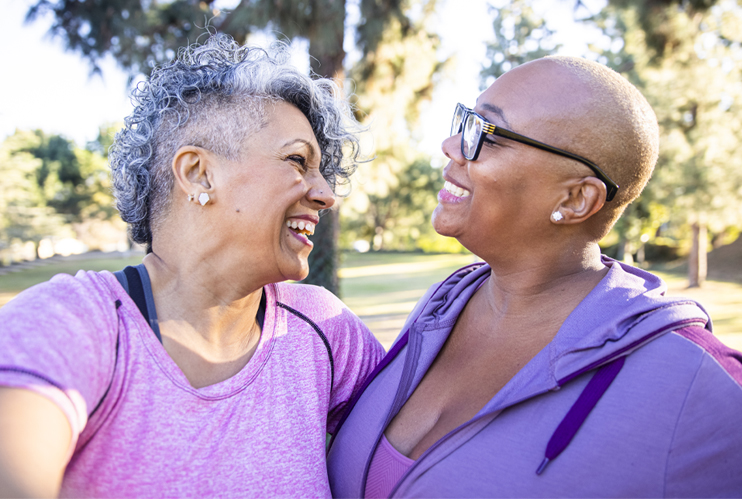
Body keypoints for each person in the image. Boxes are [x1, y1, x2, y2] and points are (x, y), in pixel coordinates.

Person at [327, 56, 742, 498]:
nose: (450, 144)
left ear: (577, 198)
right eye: (464, 120)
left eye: (485, 134)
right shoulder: (441, 307)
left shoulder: (699, 380)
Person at [0, 34, 385, 498]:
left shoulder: (324, 331)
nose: (326, 194)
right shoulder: (71, 325)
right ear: (199, 174)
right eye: (298, 160)